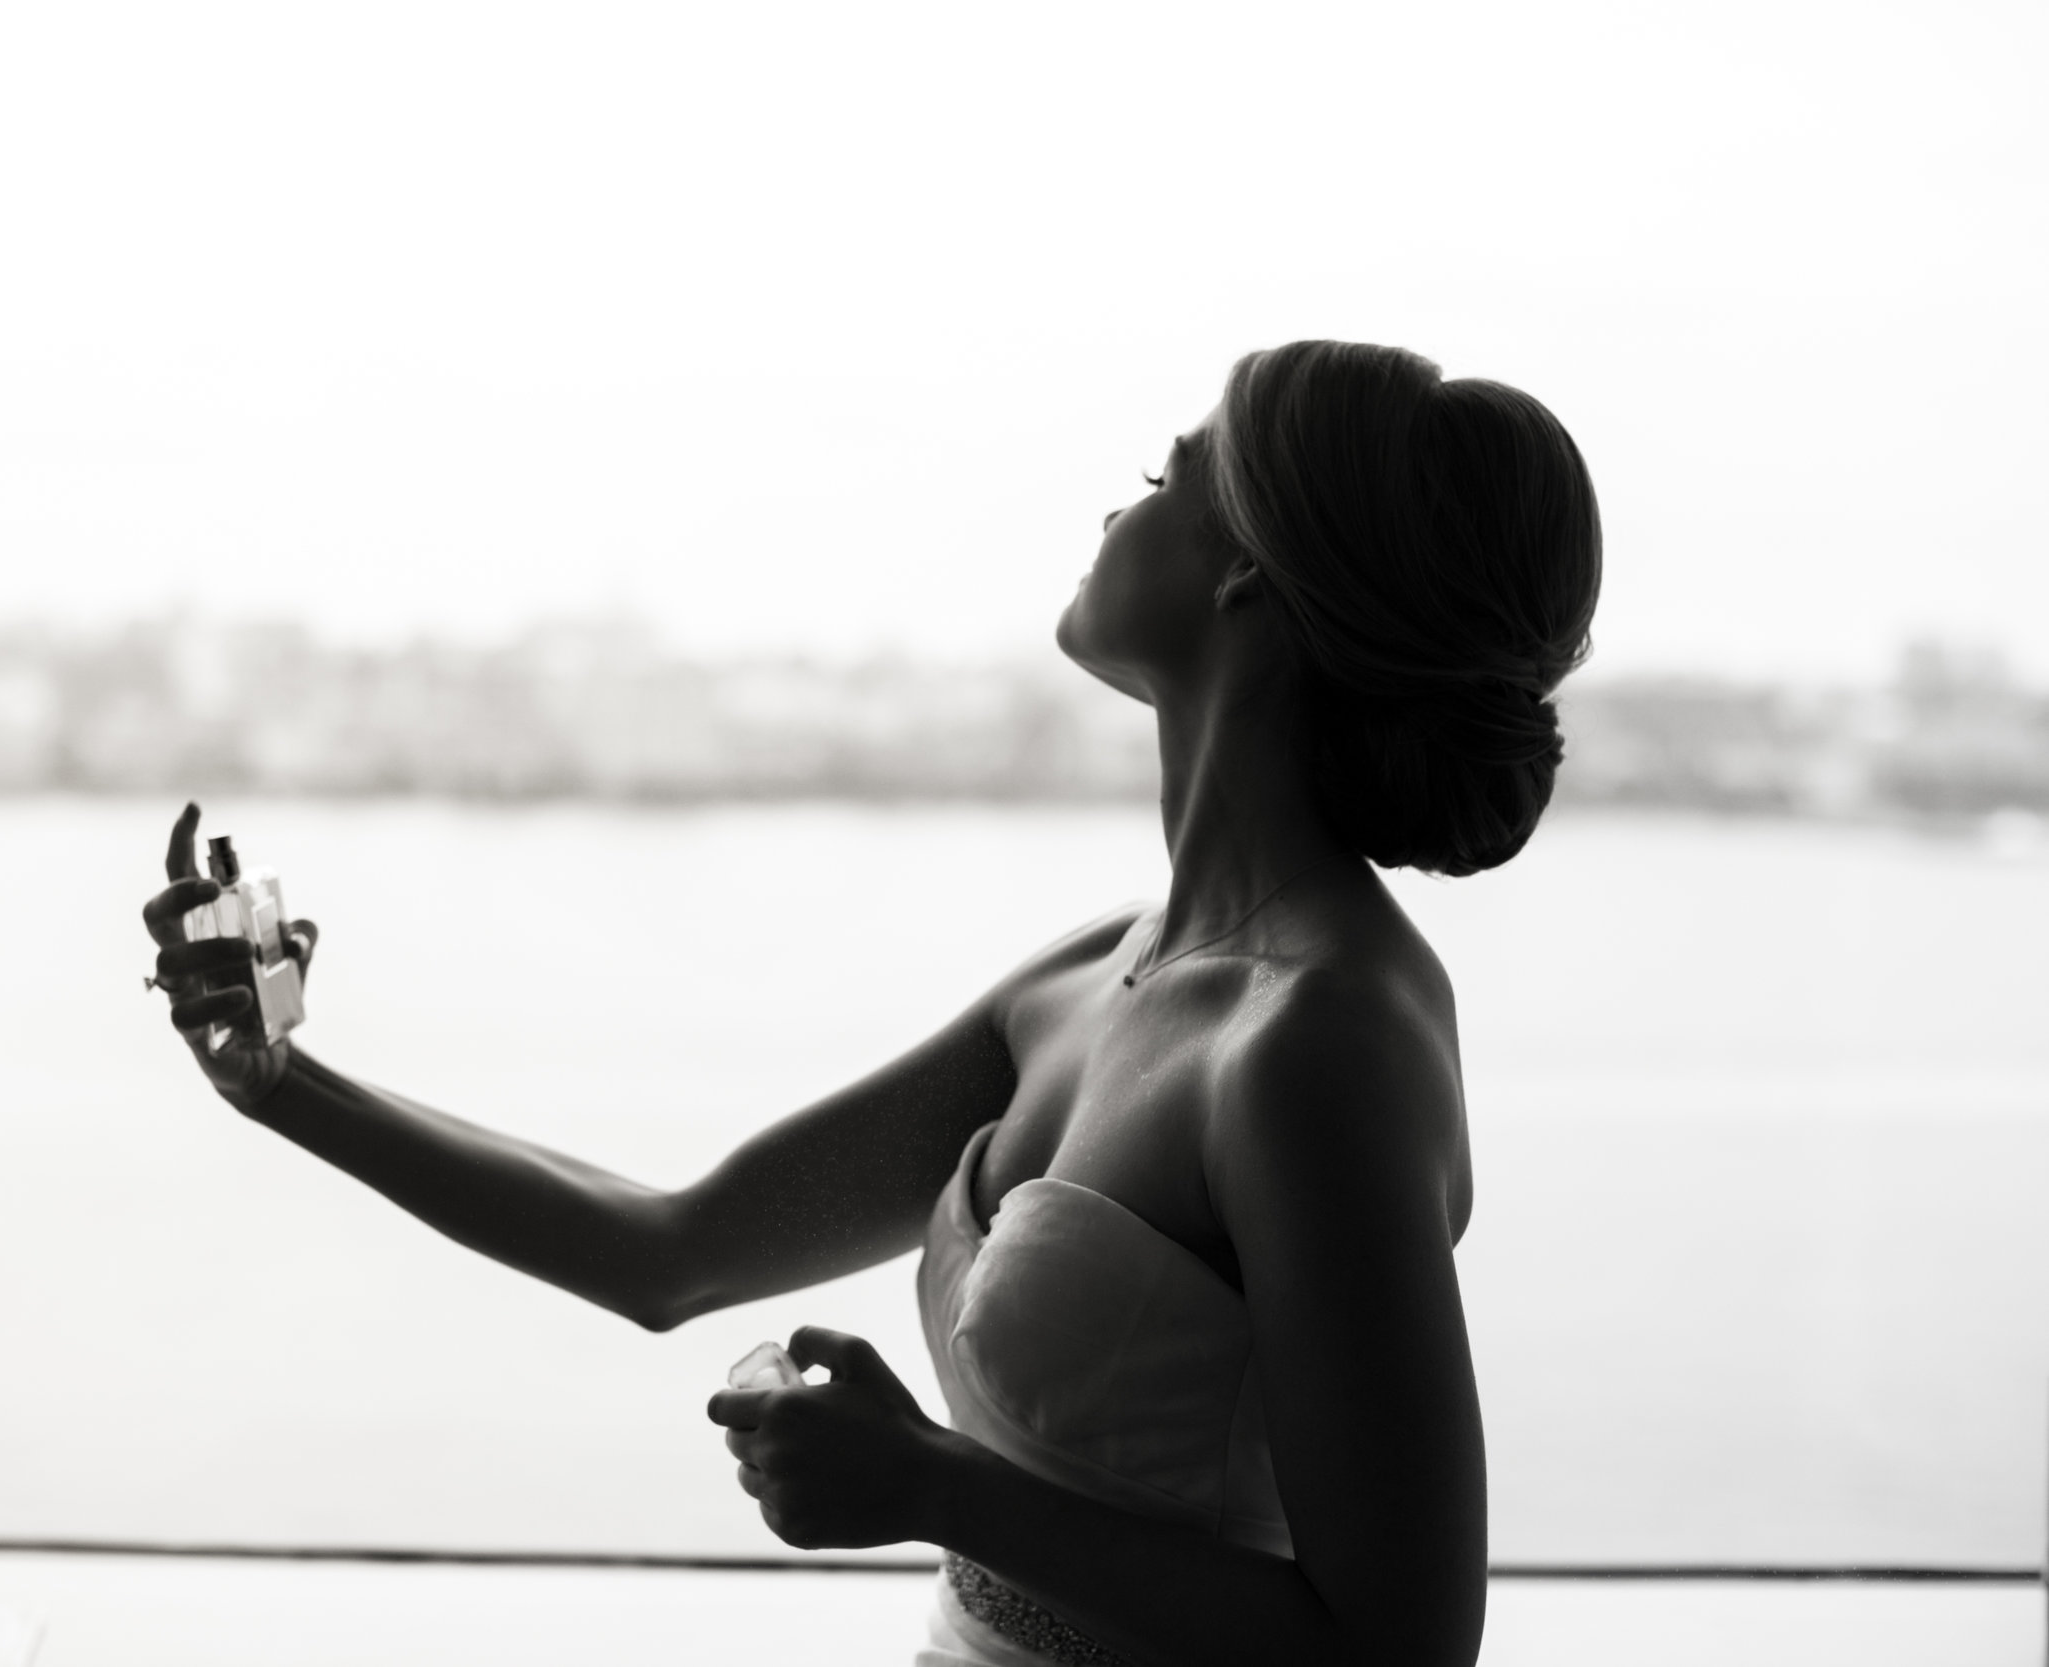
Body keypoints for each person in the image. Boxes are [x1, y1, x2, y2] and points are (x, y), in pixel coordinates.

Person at [141, 339, 1602, 1667]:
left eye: (1169, 476)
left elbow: (1400, 1652)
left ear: (1246, 572)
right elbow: (671, 1249)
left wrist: (925, 1481)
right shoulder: (1093, 975)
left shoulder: (1322, 1042)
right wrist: (279, 1080)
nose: (1117, 509)